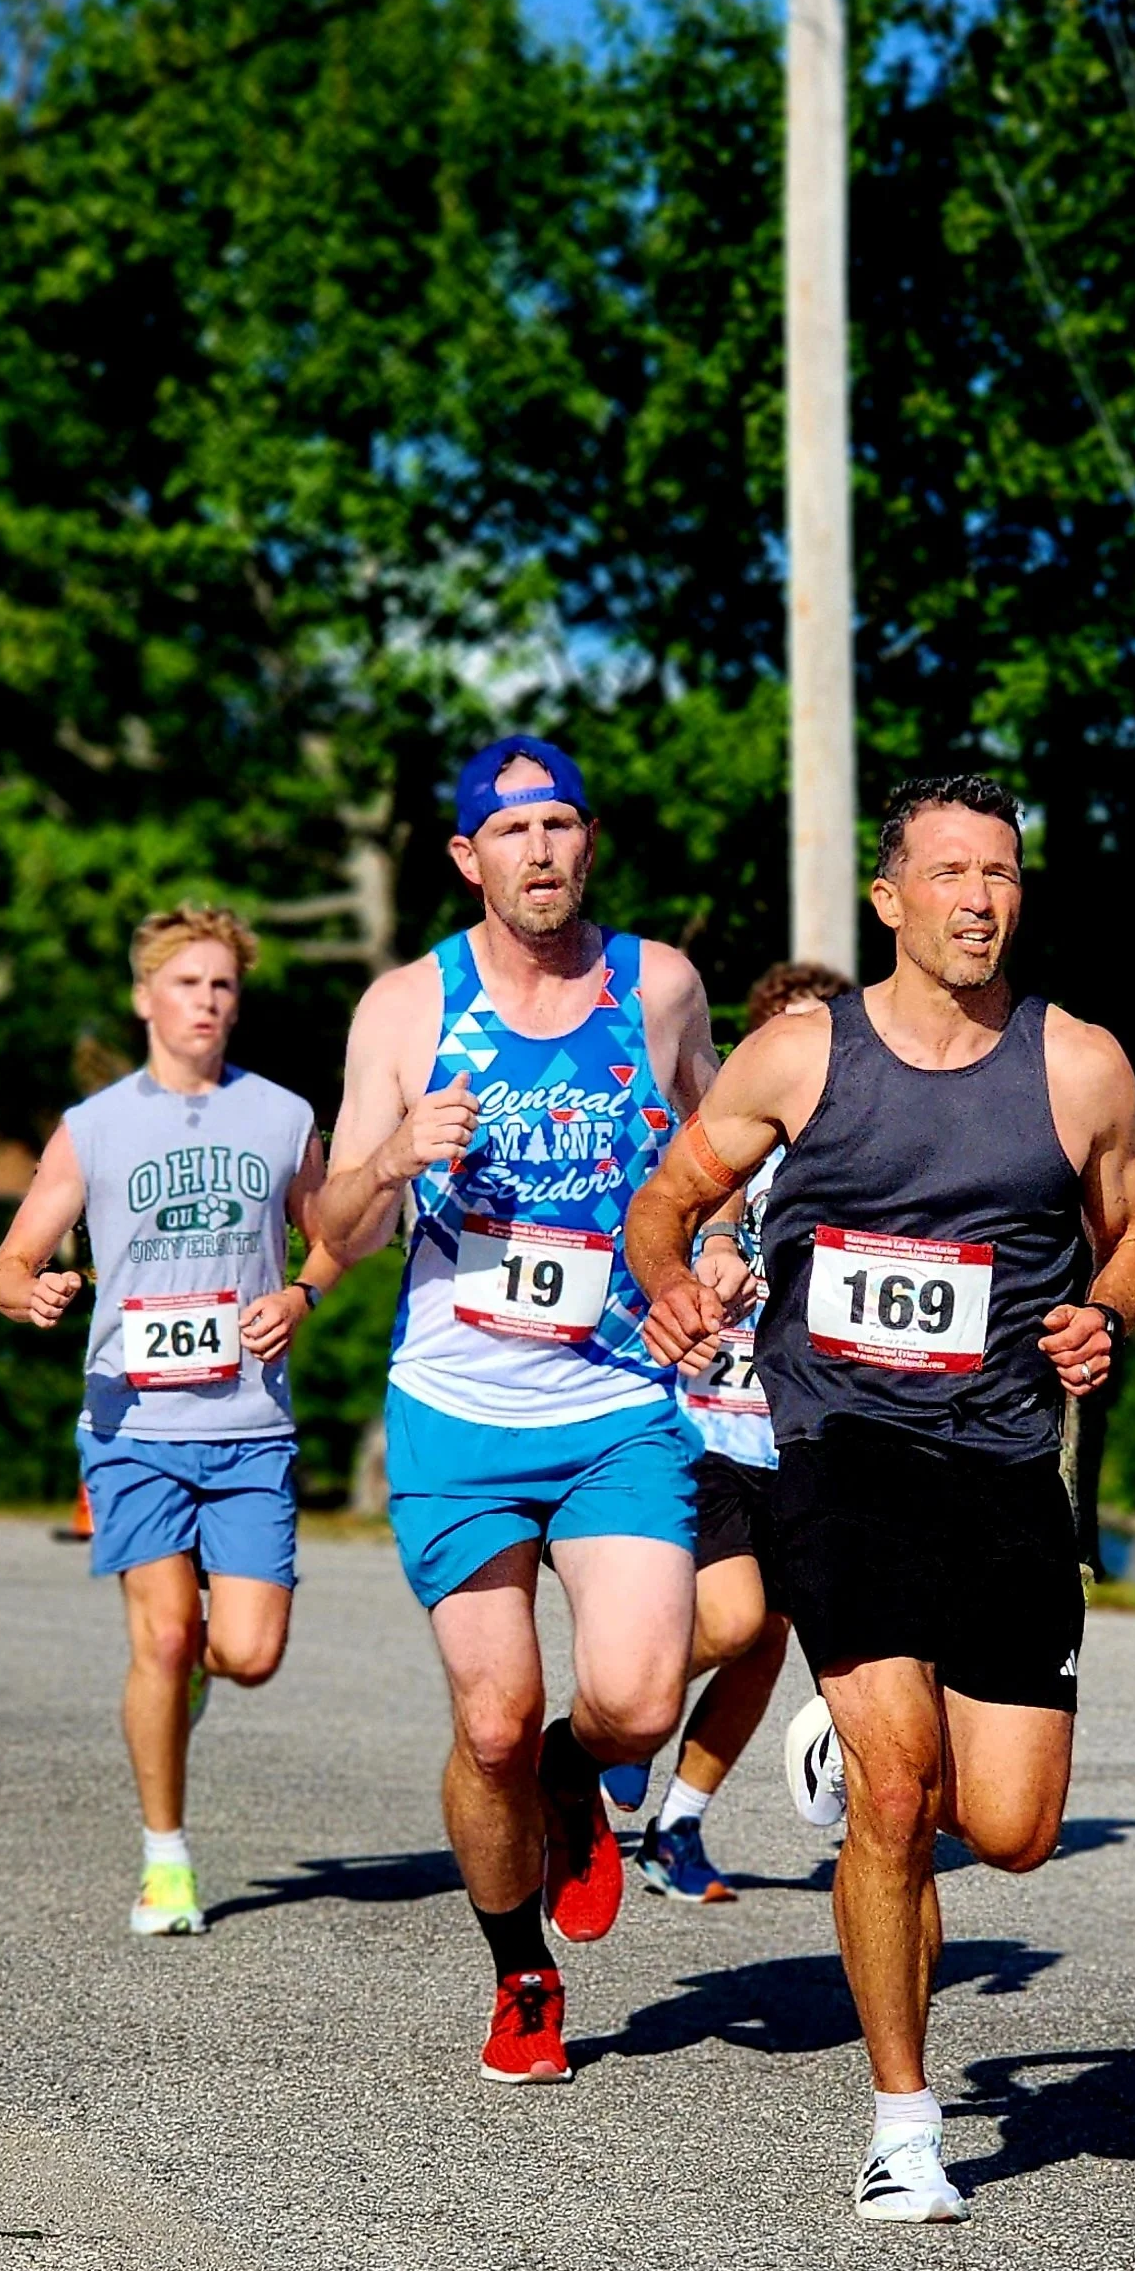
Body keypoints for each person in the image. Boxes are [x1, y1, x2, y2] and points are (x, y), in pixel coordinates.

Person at [626, 771, 1135, 2222]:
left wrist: (1101, 1316)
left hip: (999, 1465)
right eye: (950, 873)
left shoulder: (1080, 1064)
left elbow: (1134, 1232)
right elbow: (664, 1199)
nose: (981, 898)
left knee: (1012, 1828)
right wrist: (672, 1282)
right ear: (890, 898)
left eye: (1001, 873)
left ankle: (836, 1757)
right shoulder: (801, 1054)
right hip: (839, 1453)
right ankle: (903, 2124)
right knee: (900, 1790)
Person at [317, 735, 737, 2084]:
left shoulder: (657, 984)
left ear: (588, 841)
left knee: (632, 1697)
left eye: (561, 825)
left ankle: (580, 1775)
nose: (540, 851)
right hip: (455, 1402)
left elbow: (725, 1156)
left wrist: (721, 1250)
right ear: (466, 856)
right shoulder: (405, 1007)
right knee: (488, 1719)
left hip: (619, 1395)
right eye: (513, 833)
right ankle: (523, 1977)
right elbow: (333, 1219)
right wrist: (391, 1153)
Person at [0, 903, 340, 1937]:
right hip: (132, 1423)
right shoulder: (93, 1129)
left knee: (250, 1650)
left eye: (223, 986)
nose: (207, 1002)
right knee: (166, 1629)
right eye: (187, 983)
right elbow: (9, 1260)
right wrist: (30, 1292)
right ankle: (166, 1862)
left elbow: (334, 1232)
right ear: (147, 998)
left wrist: (303, 1294)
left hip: (248, 1425)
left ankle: (189, 1684)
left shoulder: (280, 1116)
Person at [637, 961, 856, 1905]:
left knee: (765, 1638)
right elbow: (638, 1249)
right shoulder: (717, 1153)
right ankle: (619, 1708)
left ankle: (674, 1827)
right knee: (730, 1619)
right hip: (705, 1431)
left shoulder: (859, 1158)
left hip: (801, 1442)